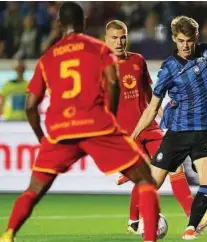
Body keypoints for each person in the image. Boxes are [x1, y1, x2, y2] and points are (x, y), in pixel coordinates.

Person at [0, 3, 159, 242]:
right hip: (96, 126)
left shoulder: (47, 58)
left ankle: (8, 234)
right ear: (84, 22)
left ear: (59, 24)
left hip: (61, 132)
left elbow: (31, 106)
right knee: (145, 179)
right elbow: (113, 83)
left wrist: (43, 140)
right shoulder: (98, 49)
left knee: (33, 190)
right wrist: (112, 118)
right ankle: (149, 239)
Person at [130, 15, 207, 240]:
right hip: (177, 134)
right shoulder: (168, 68)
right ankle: (140, 223)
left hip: (205, 132)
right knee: (149, 186)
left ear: (196, 37)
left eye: (188, 40)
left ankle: (191, 229)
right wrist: (133, 136)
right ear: (173, 39)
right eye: (180, 40)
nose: (185, 45)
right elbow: (152, 108)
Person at [104, 20, 194, 234]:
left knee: (175, 165)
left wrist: (167, 117)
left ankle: (194, 217)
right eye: (114, 38)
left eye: (123, 36)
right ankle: (135, 219)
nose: (120, 41)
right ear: (105, 40)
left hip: (149, 128)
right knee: (147, 174)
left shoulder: (138, 60)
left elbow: (150, 96)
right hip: (126, 135)